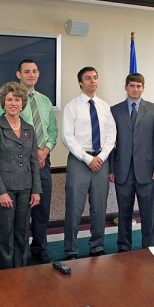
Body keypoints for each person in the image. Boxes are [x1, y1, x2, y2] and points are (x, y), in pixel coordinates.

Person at [0, 59, 58, 263]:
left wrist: (45, 151)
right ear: (18, 74)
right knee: (16, 215)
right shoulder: (8, 100)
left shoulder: (46, 101)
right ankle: (14, 256)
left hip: (42, 162)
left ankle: (39, 249)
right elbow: (4, 132)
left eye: (34, 71)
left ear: (38, 74)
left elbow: (52, 130)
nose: (31, 75)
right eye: (26, 71)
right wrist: (34, 153)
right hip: (17, 167)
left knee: (41, 210)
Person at [61, 67, 116, 259]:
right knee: (74, 209)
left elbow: (111, 135)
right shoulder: (72, 107)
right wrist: (87, 158)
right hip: (79, 161)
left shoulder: (105, 107)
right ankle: (71, 250)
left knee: (99, 208)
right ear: (80, 83)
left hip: (101, 161)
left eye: (95, 77)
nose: (92, 81)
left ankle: (97, 247)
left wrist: (101, 157)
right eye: (88, 78)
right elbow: (67, 137)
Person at [0, 81, 42, 269]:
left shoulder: (29, 129)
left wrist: (36, 190)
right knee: (4, 235)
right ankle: (5, 275)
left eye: (17, 99)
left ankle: (20, 272)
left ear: (22, 103)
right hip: (5, 190)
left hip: (26, 189)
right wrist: (0, 192)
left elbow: (34, 161)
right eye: (9, 99)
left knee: (22, 233)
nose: (13, 103)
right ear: (3, 102)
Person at [109, 73, 154, 250]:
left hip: (148, 170)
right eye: (132, 85)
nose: (135, 89)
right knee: (124, 212)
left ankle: (148, 247)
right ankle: (123, 246)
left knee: (147, 213)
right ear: (126, 87)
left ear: (143, 88)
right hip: (122, 170)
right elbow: (110, 142)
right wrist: (111, 168)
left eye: (138, 86)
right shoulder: (114, 110)